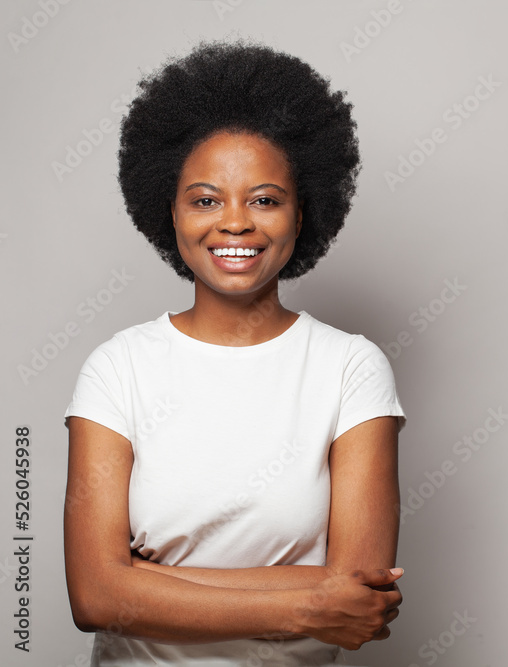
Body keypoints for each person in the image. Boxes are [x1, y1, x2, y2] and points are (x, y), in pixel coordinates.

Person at [62, 39, 406, 666]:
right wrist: (307, 600)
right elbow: (93, 597)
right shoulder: (117, 369)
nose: (236, 223)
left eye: (265, 199)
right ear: (170, 212)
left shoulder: (350, 369)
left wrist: (146, 580)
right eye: (205, 199)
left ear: (302, 213)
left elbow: (359, 600)